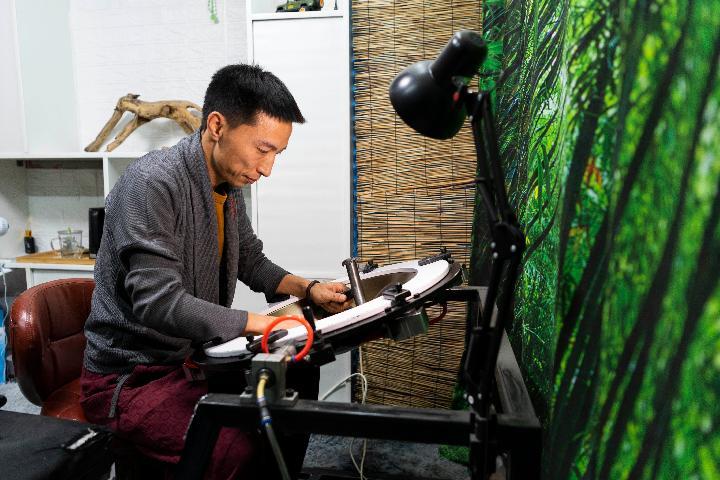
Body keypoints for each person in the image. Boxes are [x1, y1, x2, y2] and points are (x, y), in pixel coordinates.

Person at [80, 64, 352, 479]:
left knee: (296, 376)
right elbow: (159, 303)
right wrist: (265, 323)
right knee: (231, 448)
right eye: (262, 150)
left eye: (276, 155)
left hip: (190, 360)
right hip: (130, 379)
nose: (267, 169)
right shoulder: (151, 184)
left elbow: (250, 260)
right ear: (217, 126)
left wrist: (308, 288)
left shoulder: (227, 184)